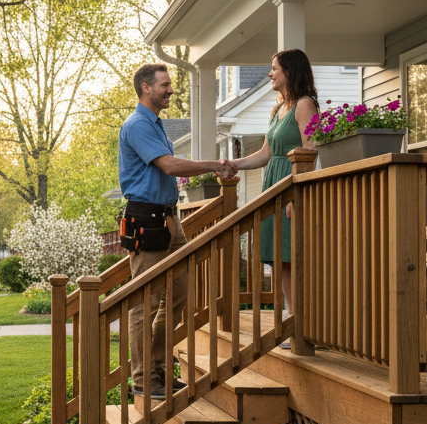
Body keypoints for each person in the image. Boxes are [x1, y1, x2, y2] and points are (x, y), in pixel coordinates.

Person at [118, 63, 236, 397]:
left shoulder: (156, 125)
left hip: (171, 219)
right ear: (146, 88)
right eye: (165, 84)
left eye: (170, 84)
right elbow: (168, 166)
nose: (171, 89)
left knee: (179, 293)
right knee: (145, 302)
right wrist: (214, 164)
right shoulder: (138, 124)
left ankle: (159, 370)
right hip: (147, 221)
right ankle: (143, 379)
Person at [219, 50, 318, 346]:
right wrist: (234, 164)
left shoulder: (305, 104)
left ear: (290, 71)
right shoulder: (277, 110)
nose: (270, 74)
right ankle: (292, 321)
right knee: (281, 260)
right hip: (273, 187)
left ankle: (308, 326)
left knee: (297, 258)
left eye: (274, 69)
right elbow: (265, 154)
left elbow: (310, 150)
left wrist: (296, 194)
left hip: (292, 187)